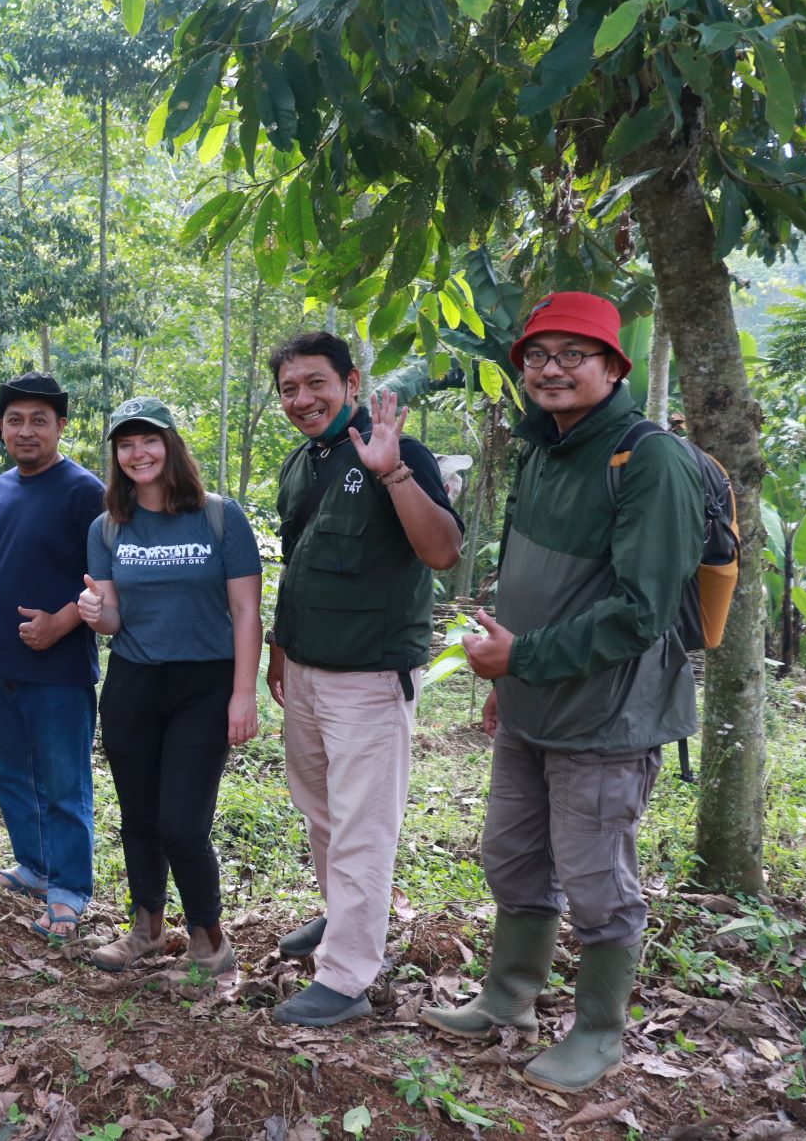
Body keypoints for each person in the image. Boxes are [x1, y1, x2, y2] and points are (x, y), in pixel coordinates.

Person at [422, 292, 701, 1093]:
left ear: (614, 366)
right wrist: (507, 679)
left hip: (606, 717)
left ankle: (599, 1033)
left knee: (594, 879)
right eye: (536, 356)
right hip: (531, 701)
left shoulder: (648, 458)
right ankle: (508, 999)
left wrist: (524, 659)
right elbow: (530, 577)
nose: (550, 369)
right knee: (511, 857)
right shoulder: (543, 448)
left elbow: (642, 612)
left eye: (572, 354)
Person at [265, 331, 463, 1026]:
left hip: (370, 676)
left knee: (360, 826)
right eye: (288, 389)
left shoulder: (399, 452)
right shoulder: (302, 461)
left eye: (315, 383)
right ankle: (342, 918)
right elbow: (299, 565)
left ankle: (347, 977)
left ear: (350, 382)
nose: (301, 399)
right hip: (308, 669)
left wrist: (391, 474)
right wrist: (278, 650)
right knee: (320, 813)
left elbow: (441, 551)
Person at [77, 398, 262, 975]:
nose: (138, 454)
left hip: (205, 683)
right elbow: (111, 618)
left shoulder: (219, 517)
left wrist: (243, 693)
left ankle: (210, 940)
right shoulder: (107, 527)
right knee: (138, 816)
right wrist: (91, 610)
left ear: (171, 446)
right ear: (116, 456)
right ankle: (147, 929)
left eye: (148, 441)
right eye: (125, 445)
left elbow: (246, 612)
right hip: (133, 682)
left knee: (182, 824)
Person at [0, 371, 105, 943]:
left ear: (60, 426)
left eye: (38, 420)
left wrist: (62, 621)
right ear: (1, 428)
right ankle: (33, 869)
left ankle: (69, 890)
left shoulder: (85, 492)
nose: (26, 431)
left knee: (63, 781)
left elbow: (108, 580)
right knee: (8, 771)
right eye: (15, 420)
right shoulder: (0, 487)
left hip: (58, 669)